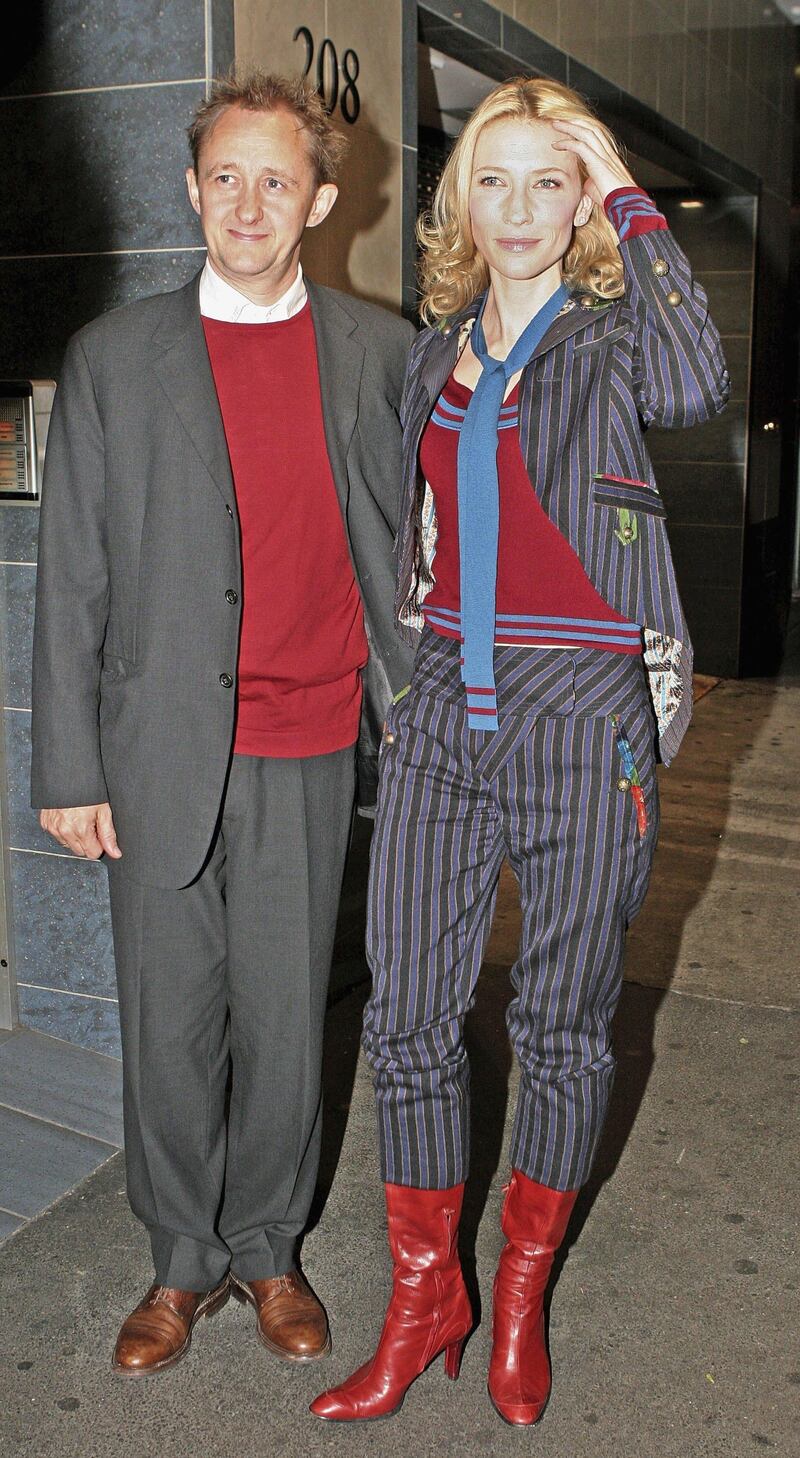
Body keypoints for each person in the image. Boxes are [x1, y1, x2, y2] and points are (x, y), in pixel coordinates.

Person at [311, 76, 729, 1425]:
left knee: (559, 1020)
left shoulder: (612, 341)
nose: (519, 208)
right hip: (444, 710)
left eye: (547, 181)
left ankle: (523, 1291)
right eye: (495, 179)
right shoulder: (435, 355)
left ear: (580, 203)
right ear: (461, 203)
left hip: (581, 712)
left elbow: (698, 378)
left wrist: (615, 169)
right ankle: (424, 1289)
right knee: (409, 1018)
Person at [31, 70, 415, 1377]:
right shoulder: (113, 357)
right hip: (154, 756)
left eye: (276, 179)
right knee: (170, 1017)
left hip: (311, 746)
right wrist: (69, 764)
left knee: (286, 1016)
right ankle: (180, 1260)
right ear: (193, 189)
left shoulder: (379, 353)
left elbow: (417, 550)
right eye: (226, 177)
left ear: (319, 199)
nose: (249, 202)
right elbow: (72, 573)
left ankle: (268, 1246)